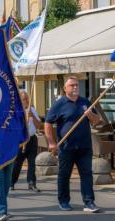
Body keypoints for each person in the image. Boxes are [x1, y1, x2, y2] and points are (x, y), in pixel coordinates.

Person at [44, 76, 101, 213]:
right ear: (65, 88)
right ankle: (63, 201)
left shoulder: (85, 102)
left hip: (84, 146)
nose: (75, 87)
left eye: (76, 85)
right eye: (72, 85)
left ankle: (89, 202)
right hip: (66, 147)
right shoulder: (59, 104)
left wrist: (90, 115)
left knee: (87, 174)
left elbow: (96, 121)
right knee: (64, 175)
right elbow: (47, 122)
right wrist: (51, 142)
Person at [11, 91, 41, 192]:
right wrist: (24, 119)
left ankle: (31, 183)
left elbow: (38, 126)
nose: (27, 101)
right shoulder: (15, 111)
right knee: (17, 163)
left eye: (27, 99)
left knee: (32, 162)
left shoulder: (32, 109)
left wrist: (32, 115)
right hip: (20, 139)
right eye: (24, 99)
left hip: (32, 139)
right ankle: (11, 182)